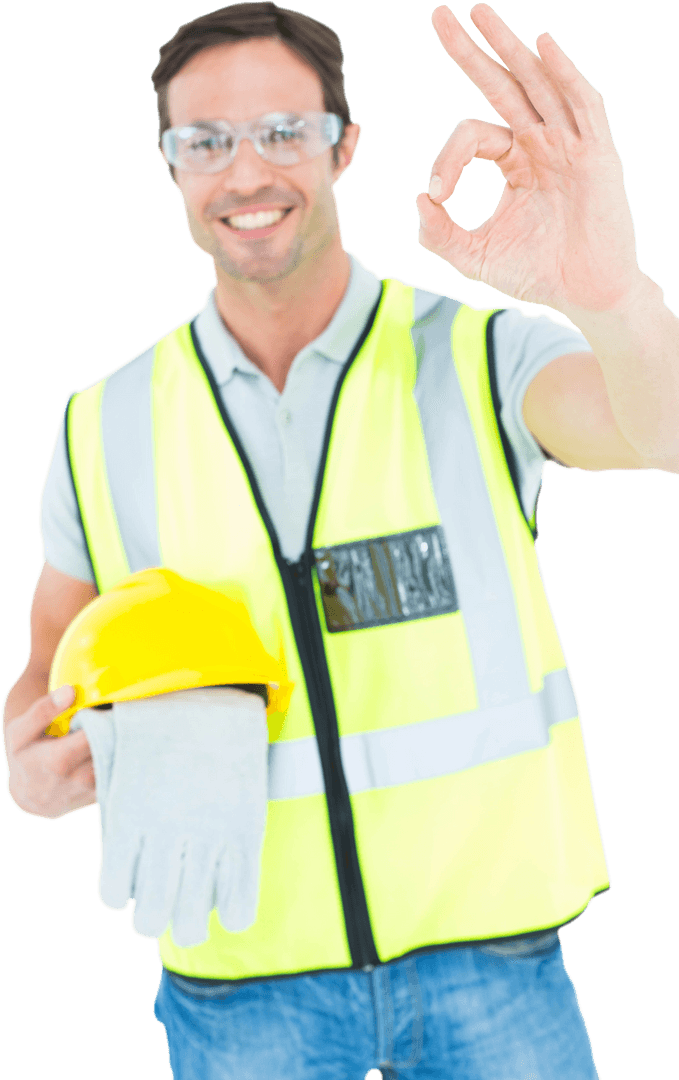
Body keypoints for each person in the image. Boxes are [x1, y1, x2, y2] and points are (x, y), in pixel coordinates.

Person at [2, 3, 678, 1078]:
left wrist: (612, 294)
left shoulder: (478, 356)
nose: (244, 171)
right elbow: (47, 666)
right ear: (170, 165)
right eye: (205, 141)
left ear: (344, 144)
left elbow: (662, 429)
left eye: (283, 130)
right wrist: (29, 765)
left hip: (492, 975)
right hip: (243, 994)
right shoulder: (105, 417)